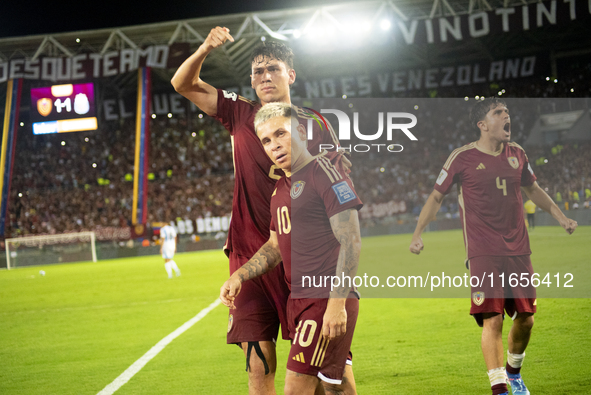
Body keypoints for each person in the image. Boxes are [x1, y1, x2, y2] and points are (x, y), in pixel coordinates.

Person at [171, 27, 342, 394]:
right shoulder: (239, 112)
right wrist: (205, 48)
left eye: (273, 69)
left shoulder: (316, 125)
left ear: (290, 75)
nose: (265, 77)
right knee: (257, 364)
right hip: (249, 253)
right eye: (257, 72)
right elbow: (183, 83)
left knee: (326, 374)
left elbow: (336, 193)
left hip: (303, 257)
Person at [409, 97, 578, 395]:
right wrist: (418, 232)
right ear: (483, 125)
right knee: (493, 317)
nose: (506, 115)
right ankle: (499, 389)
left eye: (507, 111)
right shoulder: (461, 158)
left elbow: (533, 189)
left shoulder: (518, 154)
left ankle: (513, 374)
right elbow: (436, 197)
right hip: (482, 251)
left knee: (526, 320)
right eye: (498, 112)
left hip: (519, 250)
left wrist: (560, 216)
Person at [220, 102, 362, 395]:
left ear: (300, 132)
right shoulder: (280, 189)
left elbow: (351, 240)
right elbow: (274, 246)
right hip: (298, 301)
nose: (274, 145)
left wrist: (336, 306)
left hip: (323, 298)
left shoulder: (324, 171)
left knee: (296, 388)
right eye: (267, 140)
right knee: (333, 386)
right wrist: (240, 276)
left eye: (281, 134)